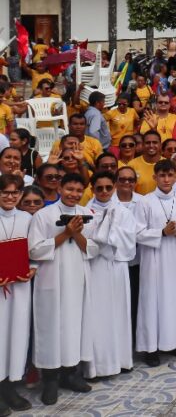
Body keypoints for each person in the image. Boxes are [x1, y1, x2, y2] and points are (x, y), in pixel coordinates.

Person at [28, 172, 96, 403]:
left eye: (79, 191)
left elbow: (93, 249)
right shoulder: (43, 215)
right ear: (60, 188)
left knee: (73, 325)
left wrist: (75, 234)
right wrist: (65, 233)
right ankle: (50, 379)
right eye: (69, 189)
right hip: (51, 278)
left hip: (77, 277)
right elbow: (34, 250)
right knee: (51, 327)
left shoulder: (87, 213)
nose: (73, 194)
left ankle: (69, 373)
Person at [133, 160, 176, 367]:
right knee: (153, 299)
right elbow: (138, 232)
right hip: (153, 257)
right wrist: (161, 232)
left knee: (175, 298)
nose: (166, 179)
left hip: (175, 256)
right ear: (154, 177)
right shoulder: (145, 202)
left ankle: (175, 342)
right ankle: (151, 348)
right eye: (162, 175)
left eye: (170, 175)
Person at [82, 172, 137, 379]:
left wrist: (105, 235)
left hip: (117, 267)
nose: (104, 192)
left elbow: (129, 241)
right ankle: (97, 366)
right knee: (97, 315)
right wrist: (104, 235)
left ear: (114, 187)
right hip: (95, 267)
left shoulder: (123, 212)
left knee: (119, 313)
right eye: (99, 188)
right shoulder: (85, 212)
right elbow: (86, 240)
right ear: (92, 189)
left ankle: (122, 360)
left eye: (108, 187)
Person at [0, 174, 34, 414]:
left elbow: (35, 249)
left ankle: (11, 385)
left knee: (16, 335)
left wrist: (33, 270)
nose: (10, 197)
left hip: (20, 287)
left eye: (15, 193)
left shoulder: (27, 218)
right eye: (5, 192)